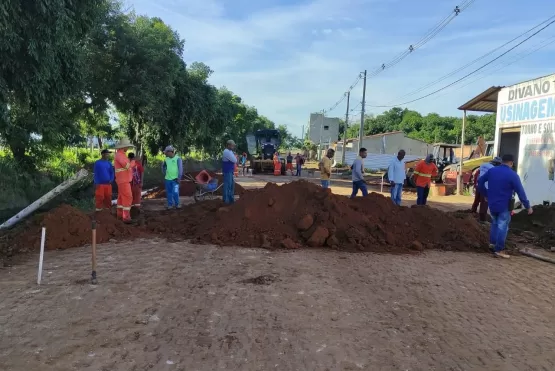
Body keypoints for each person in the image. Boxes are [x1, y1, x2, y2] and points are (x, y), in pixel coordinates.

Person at [478, 154, 533, 259]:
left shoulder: (492, 171)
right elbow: (520, 192)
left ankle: (492, 244)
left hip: (492, 204)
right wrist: (528, 206)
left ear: (502, 161)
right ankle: (499, 249)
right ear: (511, 163)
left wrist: (486, 194)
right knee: (503, 226)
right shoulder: (512, 175)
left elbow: (480, 181)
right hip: (504, 205)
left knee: (494, 223)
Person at [471, 157, 502, 222]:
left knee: (476, 200)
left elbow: (477, 174)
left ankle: (472, 214)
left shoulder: (483, 165)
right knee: (484, 204)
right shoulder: (494, 169)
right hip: (486, 188)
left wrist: (475, 184)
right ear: (497, 164)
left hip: (479, 186)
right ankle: (482, 220)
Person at [113, 138, 134, 223]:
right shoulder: (120, 155)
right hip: (123, 180)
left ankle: (120, 215)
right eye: (127, 147)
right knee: (128, 197)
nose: (128, 148)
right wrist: (133, 162)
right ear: (124, 147)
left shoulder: (121, 154)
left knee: (121, 198)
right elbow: (126, 166)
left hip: (122, 179)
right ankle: (126, 217)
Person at [162, 145, 183, 210]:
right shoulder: (166, 160)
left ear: (170, 152)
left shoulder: (178, 159)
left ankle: (177, 204)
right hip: (168, 179)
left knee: (176, 192)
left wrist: (179, 178)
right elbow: (163, 167)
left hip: (175, 179)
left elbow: (180, 169)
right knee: (169, 193)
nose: (165, 154)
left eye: (166, 152)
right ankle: (170, 205)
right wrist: (165, 173)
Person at [222, 140, 238, 204]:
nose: (233, 146)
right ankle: (226, 200)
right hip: (227, 171)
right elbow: (235, 160)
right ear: (228, 145)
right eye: (232, 145)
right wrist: (235, 158)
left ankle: (231, 199)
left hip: (230, 170)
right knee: (227, 185)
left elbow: (234, 160)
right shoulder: (227, 152)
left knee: (231, 185)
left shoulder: (230, 151)